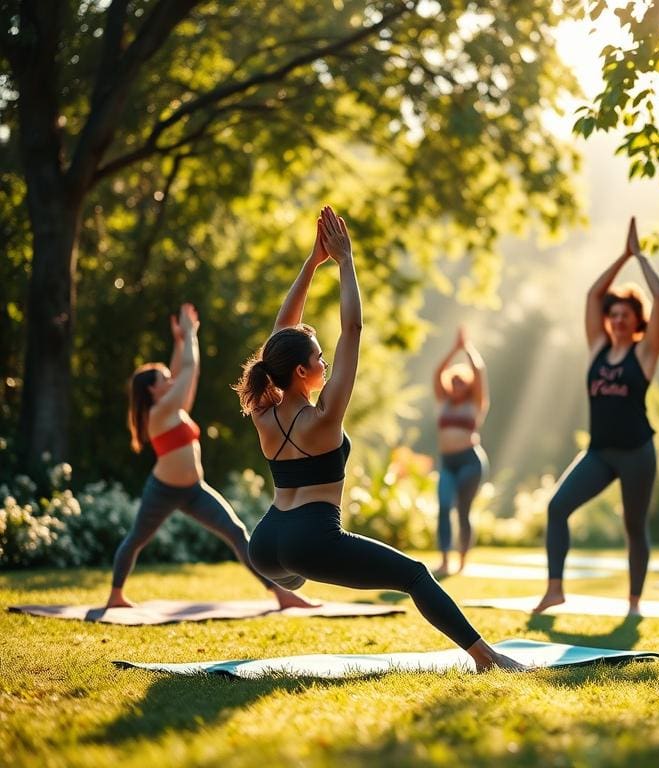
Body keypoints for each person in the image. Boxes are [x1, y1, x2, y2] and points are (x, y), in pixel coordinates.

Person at [235, 206, 523, 670]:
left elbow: (279, 338)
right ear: (303, 372)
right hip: (309, 541)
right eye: (320, 359)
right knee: (414, 575)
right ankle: (487, 657)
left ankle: (294, 577)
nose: (327, 364)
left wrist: (312, 264)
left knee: (298, 572)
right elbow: (353, 329)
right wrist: (345, 262)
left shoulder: (263, 410)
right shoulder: (325, 415)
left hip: (265, 544)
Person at [108, 303, 311, 609]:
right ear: (152, 391)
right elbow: (189, 371)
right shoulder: (160, 413)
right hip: (162, 491)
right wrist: (191, 334)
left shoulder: (168, 407)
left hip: (194, 490)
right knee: (137, 539)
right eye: (164, 380)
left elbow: (179, 371)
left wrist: (180, 341)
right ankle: (115, 596)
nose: (171, 381)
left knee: (236, 532)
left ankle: (281, 594)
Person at [534, 217, 659, 616]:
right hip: (600, 452)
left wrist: (640, 258)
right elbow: (594, 295)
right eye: (615, 315)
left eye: (626, 314)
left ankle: (634, 603)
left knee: (634, 528)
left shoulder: (644, 354)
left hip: (637, 451)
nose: (618, 319)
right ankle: (555, 590)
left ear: (636, 321)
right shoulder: (596, 348)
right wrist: (621, 256)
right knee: (557, 508)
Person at [432, 327, 489, 576]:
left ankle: (463, 560)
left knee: (463, 510)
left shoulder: (475, 403)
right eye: (452, 380)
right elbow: (437, 373)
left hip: (470, 462)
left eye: (460, 382)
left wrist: (467, 349)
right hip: (448, 462)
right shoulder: (443, 402)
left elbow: (479, 373)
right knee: (444, 506)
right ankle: (445, 560)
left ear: (467, 386)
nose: (455, 384)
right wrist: (453, 350)